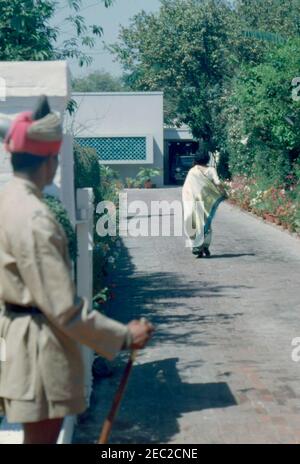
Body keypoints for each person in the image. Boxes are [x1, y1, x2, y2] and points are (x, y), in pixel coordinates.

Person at [0, 96, 153, 444]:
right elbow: (63, 308)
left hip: (22, 340)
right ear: (50, 161)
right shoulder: (34, 217)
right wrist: (124, 337)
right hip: (38, 350)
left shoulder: (8, 200)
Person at [182, 143, 226, 258]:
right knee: (205, 224)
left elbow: (187, 188)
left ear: (196, 158)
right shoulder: (211, 170)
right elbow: (218, 183)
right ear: (207, 158)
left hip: (192, 202)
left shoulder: (192, 171)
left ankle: (197, 247)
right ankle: (205, 246)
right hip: (206, 202)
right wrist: (223, 192)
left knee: (192, 223)